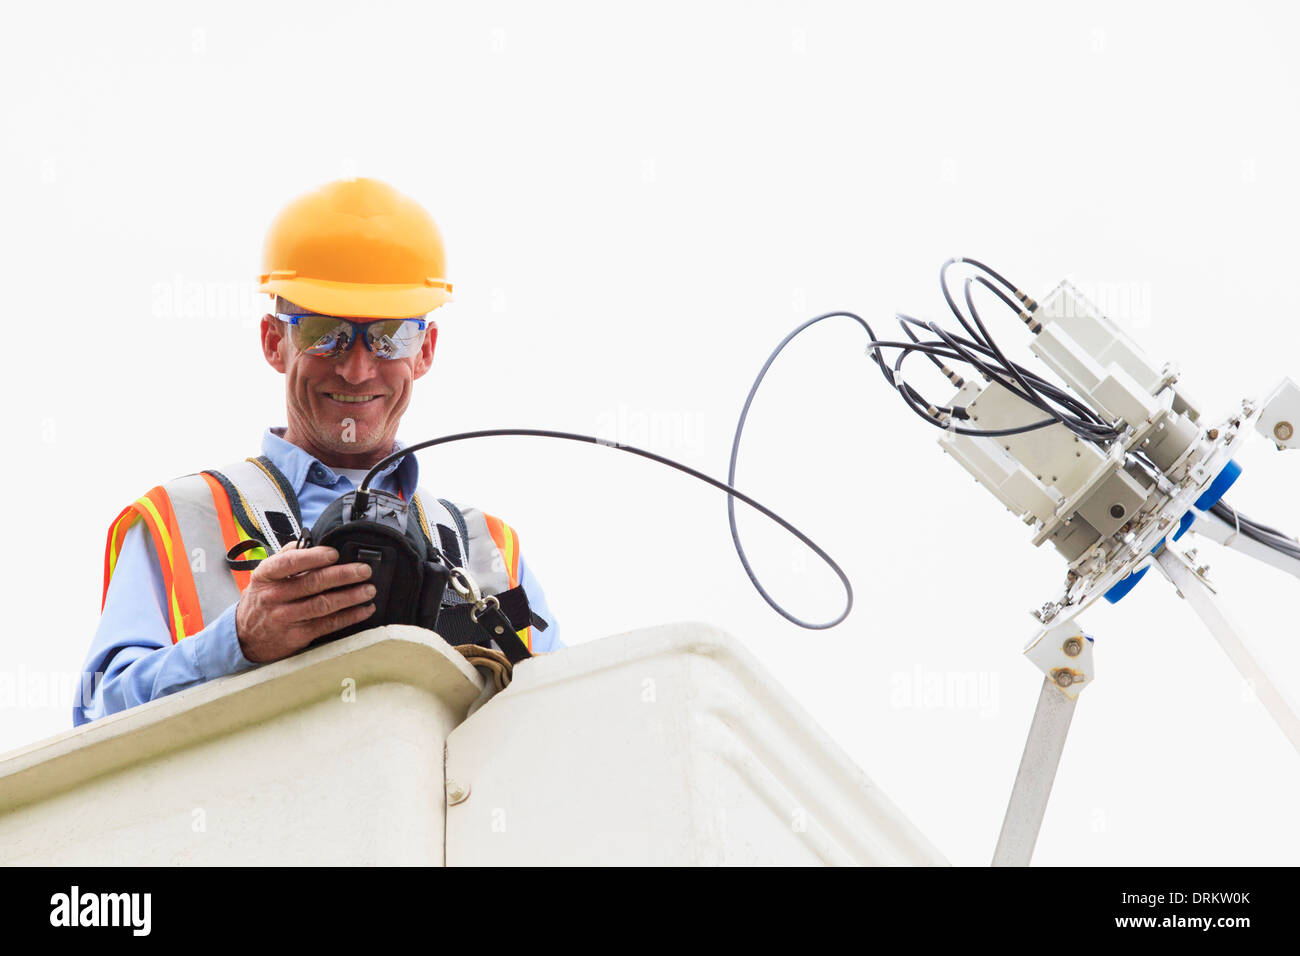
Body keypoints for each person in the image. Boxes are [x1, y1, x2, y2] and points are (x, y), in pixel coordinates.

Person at [75, 178, 561, 726]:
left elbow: (563, 726)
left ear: (424, 351)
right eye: (324, 332)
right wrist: (238, 640)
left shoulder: (489, 551)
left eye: (389, 335)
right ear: (272, 341)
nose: (356, 367)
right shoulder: (179, 520)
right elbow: (96, 716)